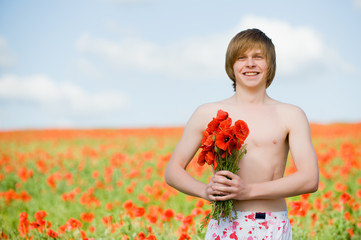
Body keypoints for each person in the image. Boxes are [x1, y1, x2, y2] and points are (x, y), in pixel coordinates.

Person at [164, 28, 319, 240]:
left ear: (270, 65)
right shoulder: (206, 113)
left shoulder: (291, 115)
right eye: (241, 57)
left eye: (258, 57)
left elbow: (310, 179)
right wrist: (204, 190)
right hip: (224, 225)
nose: (250, 64)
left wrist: (248, 190)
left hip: (271, 224)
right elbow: (172, 170)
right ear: (231, 66)